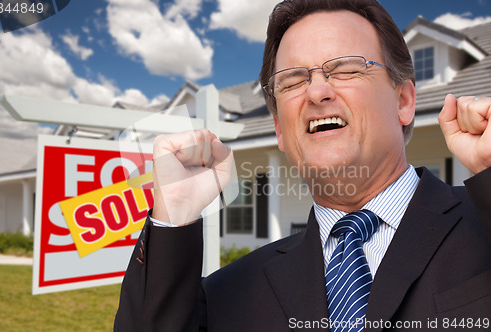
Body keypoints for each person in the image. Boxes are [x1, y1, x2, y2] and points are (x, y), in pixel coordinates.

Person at [114, 0, 491, 330]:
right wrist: (173, 219)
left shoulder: (482, 221)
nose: (315, 91)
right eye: (292, 80)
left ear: (404, 101)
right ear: (278, 128)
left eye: (345, 68)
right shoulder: (226, 293)